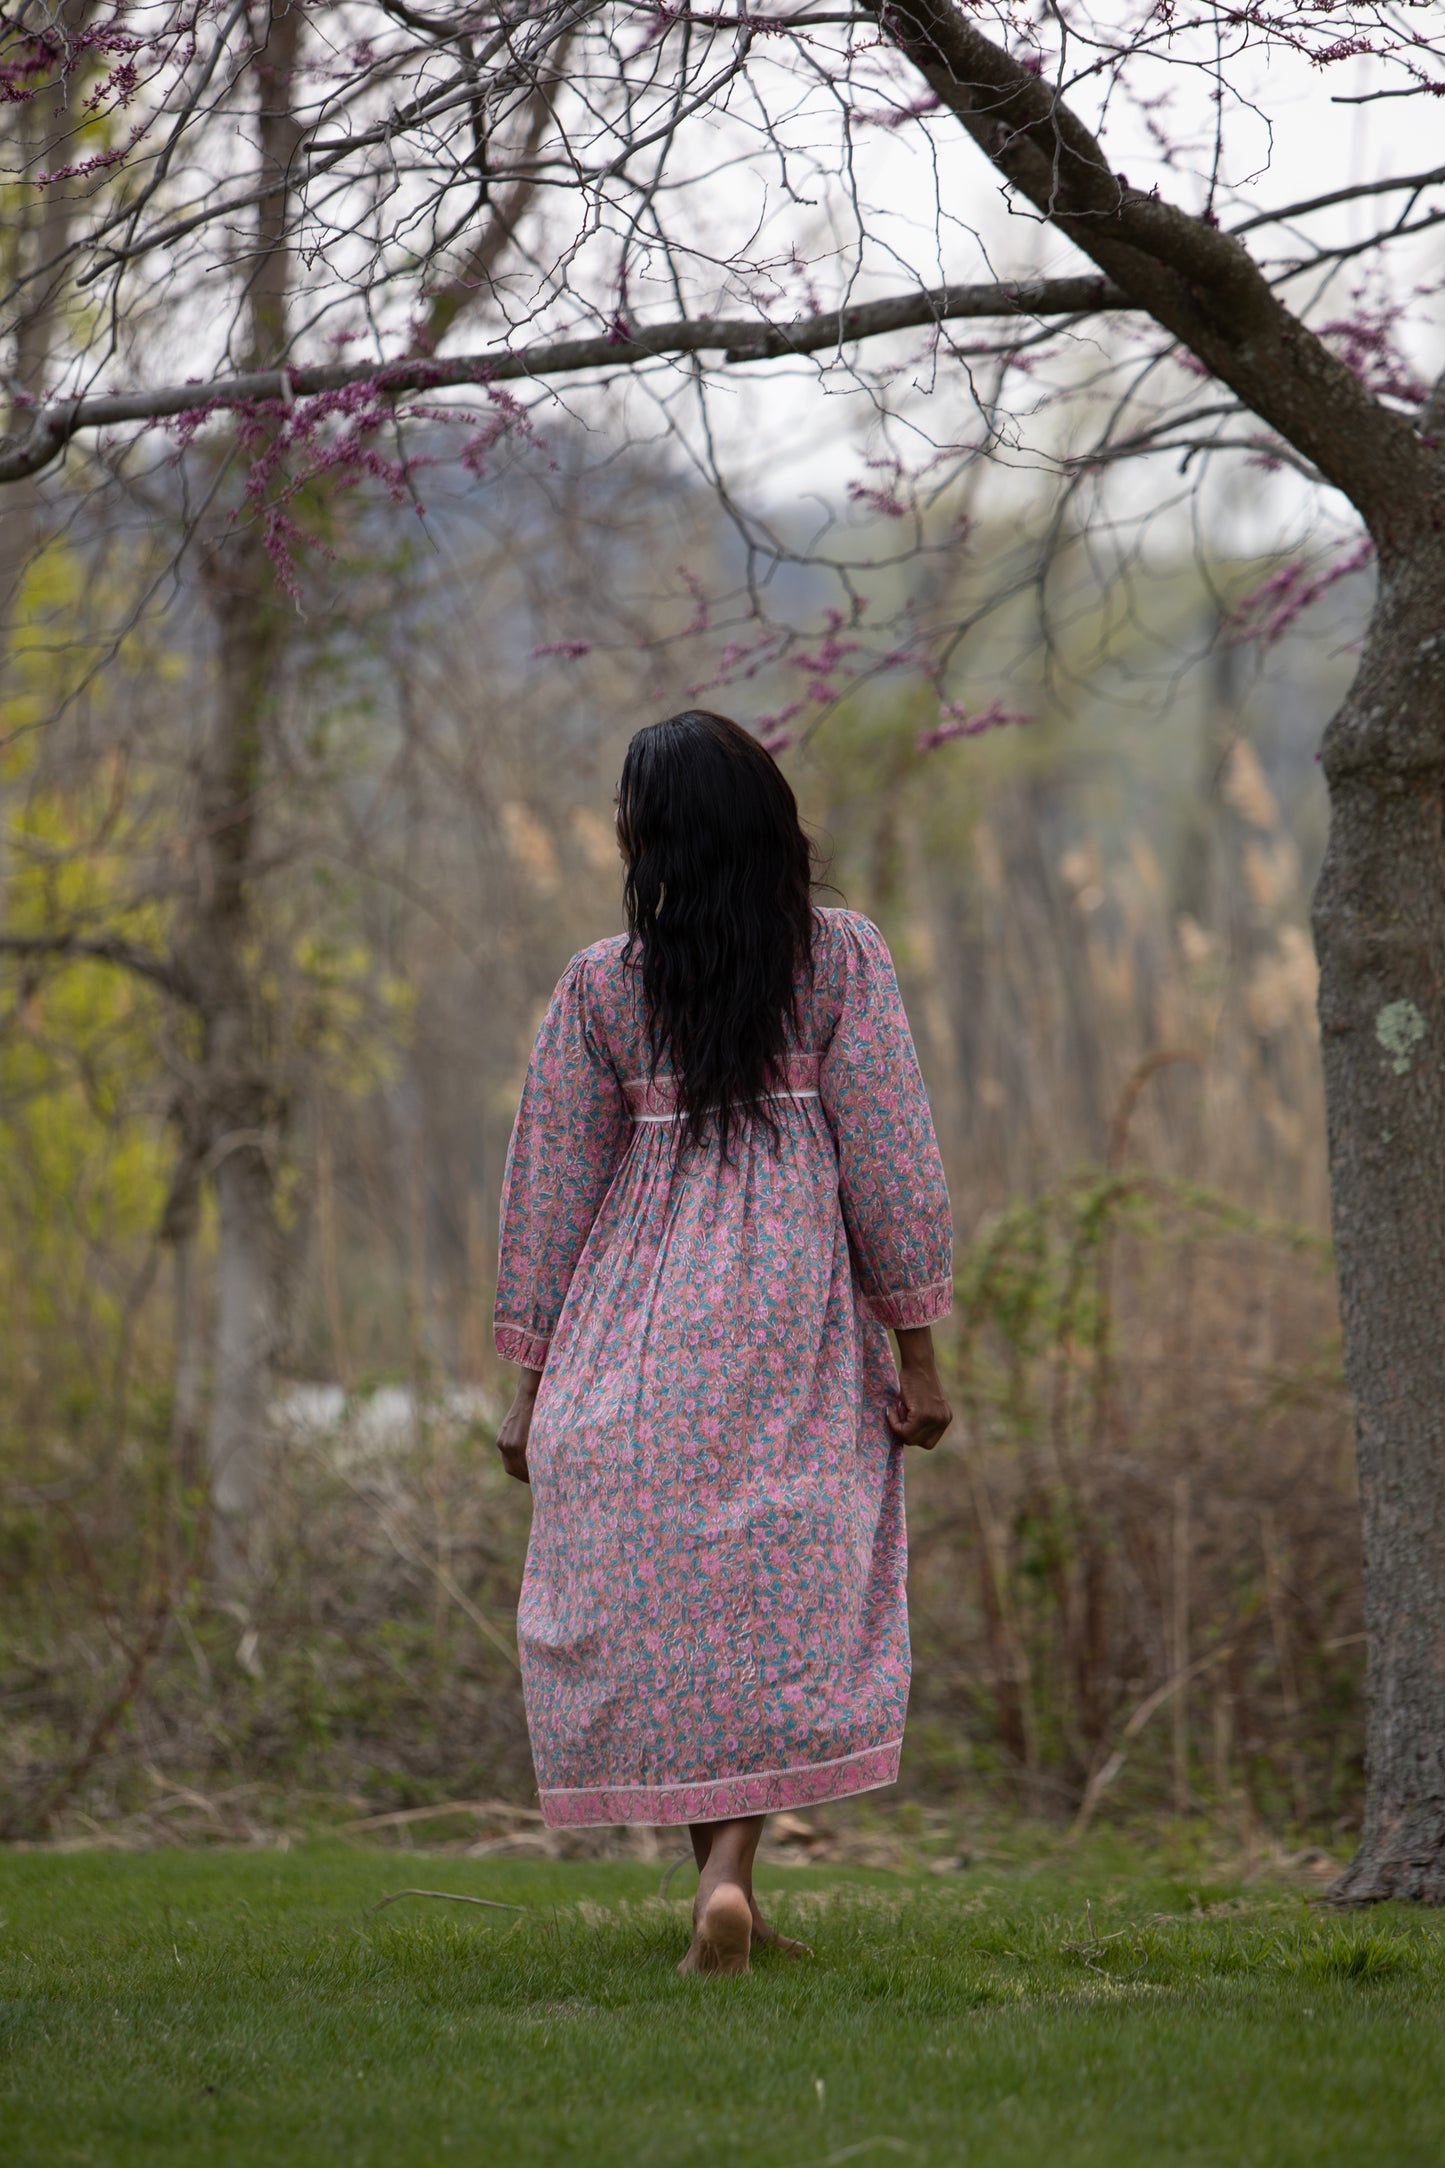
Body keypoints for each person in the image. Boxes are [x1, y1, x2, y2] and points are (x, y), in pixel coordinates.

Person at [494, 709, 953, 1975]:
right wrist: (917, 1352)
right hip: (787, 1325)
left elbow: (547, 1193)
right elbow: (893, 1163)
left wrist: (526, 1386)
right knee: (769, 1597)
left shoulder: (601, 984)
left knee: (684, 1609)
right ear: (767, 821)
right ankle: (728, 1880)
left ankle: (723, 1886)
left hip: (631, 1333)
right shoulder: (840, 959)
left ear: (650, 839)